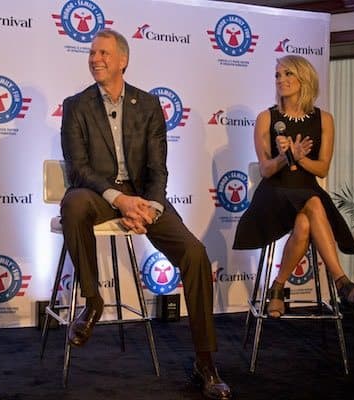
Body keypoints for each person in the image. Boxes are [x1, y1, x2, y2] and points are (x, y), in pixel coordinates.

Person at [60, 29, 231, 400]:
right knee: (72, 202)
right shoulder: (76, 105)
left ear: (123, 60)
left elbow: (158, 167)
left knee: (195, 254)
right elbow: (78, 169)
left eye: (103, 52)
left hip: (145, 199)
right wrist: (120, 201)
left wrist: (149, 207)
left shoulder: (149, 104)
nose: (95, 58)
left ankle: (206, 362)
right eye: (91, 53)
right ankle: (92, 301)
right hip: (99, 195)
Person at [233, 54, 354, 318]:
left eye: (288, 74)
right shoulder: (267, 118)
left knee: (307, 219)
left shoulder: (324, 119)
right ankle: (342, 282)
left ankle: (277, 287)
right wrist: (287, 157)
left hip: (307, 189)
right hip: (274, 193)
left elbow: (322, 169)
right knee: (315, 202)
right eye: (277, 75)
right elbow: (264, 170)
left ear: (304, 79)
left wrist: (300, 158)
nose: (281, 80)